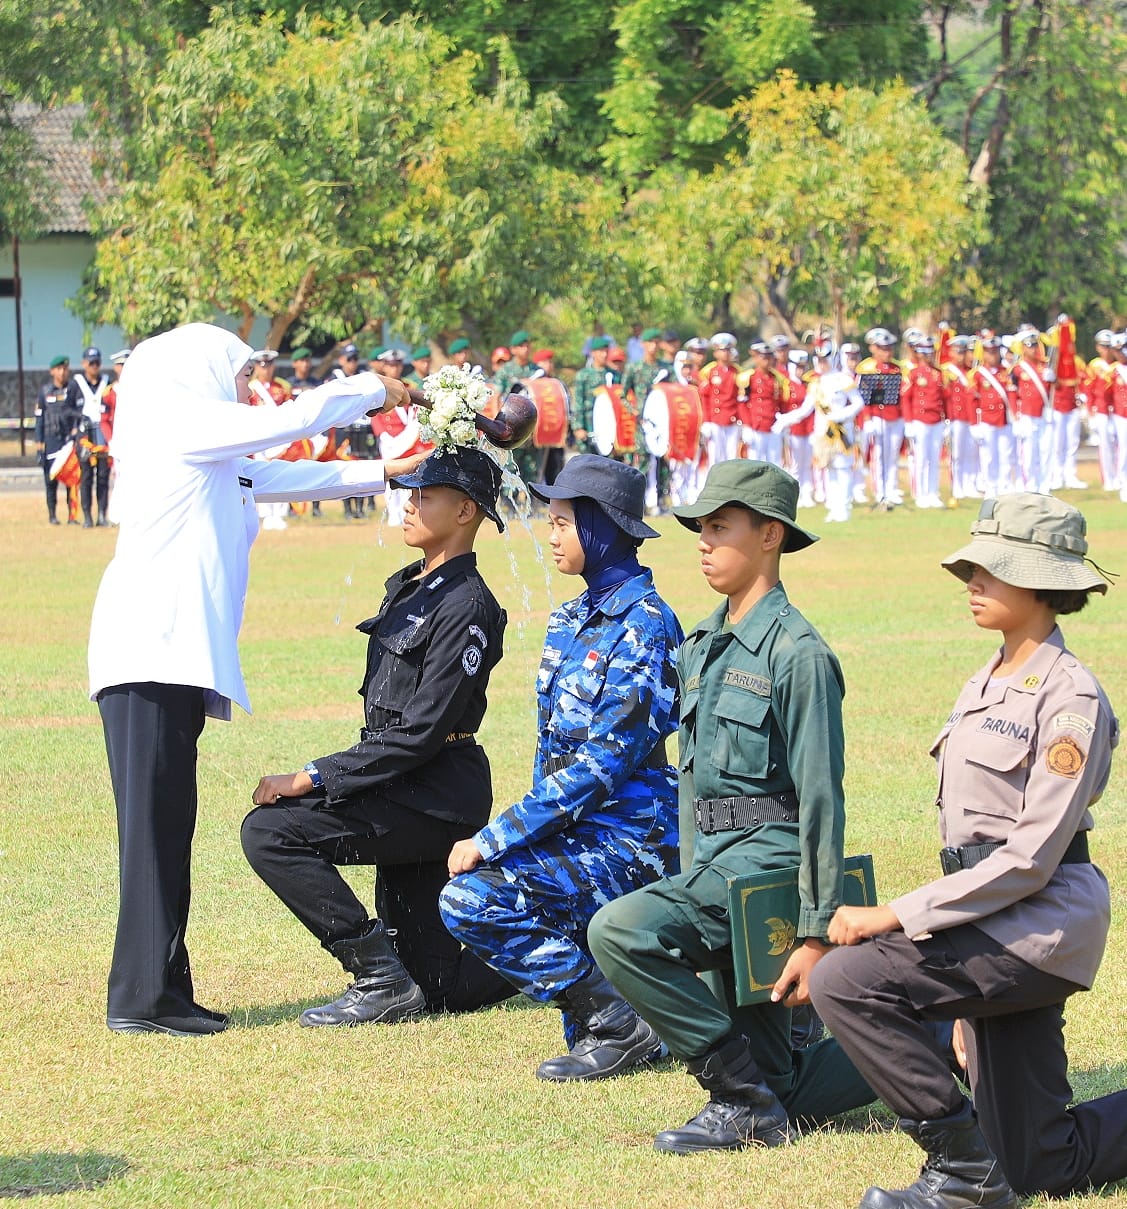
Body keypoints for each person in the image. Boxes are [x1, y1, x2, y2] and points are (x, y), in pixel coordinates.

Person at [88, 322, 422, 1037]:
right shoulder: (176, 422)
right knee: (152, 832)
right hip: (148, 653)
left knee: (165, 827)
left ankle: (160, 989)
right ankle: (142, 998)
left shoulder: (207, 452)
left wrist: (387, 473)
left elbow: (275, 476)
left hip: (166, 659)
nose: (248, 387)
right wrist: (374, 390)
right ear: (202, 371)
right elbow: (286, 424)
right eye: (240, 374)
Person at [810, 493, 1127, 1207]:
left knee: (845, 979)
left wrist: (895, 913)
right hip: (991, 918)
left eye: (994, 570)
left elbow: (1026, 859)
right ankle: (996, 1169)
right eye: (971, 568)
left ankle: (961, 1174)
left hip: (1034, 926)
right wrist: (957, 993)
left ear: (1044, 584)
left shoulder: (1069, 697)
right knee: (1040, 1161)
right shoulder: (987, 677)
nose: (972, 581)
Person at [588, 460, 873, 1153]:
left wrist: (814, 931)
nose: (703, 542)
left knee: (618, 930)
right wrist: (692, 866)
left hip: (766, 866)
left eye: (720, 527)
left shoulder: (797, 653)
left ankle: (738, 1101)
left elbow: (818, 799)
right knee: (787, 1079)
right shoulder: (703, 642)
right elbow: (694, 784)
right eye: (700, 528)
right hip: (715, 864)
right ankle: (938, 1035)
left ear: (769, 534)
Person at [242, 448, 513, 1025]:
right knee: (439, 988)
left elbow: (420, 733)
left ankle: (377, 976)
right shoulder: (412, 585)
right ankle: (548, 946)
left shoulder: (468, 605)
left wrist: (314, 775)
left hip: (433, 796)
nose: (409, 504)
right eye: (410, 492)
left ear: (465, 511)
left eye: (425, 495)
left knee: (270, 831)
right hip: (400, 786)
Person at [440, 456, 683, 1080]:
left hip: (632, 837)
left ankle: (615, 1022)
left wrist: (495, 837)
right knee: (488, 885)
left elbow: (604, 763)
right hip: (580, 829)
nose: (550, 537)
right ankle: (609, 1015)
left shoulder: (646, 624)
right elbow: (551, 754)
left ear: (601, 527)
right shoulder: (571, 618)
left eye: (563, 523)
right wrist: (524, 835)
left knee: (473, 896)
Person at [66, 346, 113, 528]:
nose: (94, 366)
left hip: (102, 435)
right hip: (85, 436)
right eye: (91, 363)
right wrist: (80, 417)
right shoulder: (76, 384)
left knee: (103, 476)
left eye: (97, 363)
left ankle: (102, 515)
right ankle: (87, 516)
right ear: (84, 364)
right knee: (86, 476)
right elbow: (66, 409)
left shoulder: (106, 383)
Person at [34, 354, 78, 525]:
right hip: (51, 440)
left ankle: (72, 516)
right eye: (59, 369)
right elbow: (39, 421)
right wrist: (39, 448)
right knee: (50, 481)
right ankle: (52, 515)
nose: (62, 372)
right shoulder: (45, 392)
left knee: (71, 480)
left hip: (68, 440)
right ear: (52, 371)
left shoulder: (72, 390)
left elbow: (77, 413)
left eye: (65, 368)